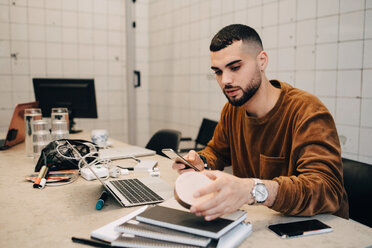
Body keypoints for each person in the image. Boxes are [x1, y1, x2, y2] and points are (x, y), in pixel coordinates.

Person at [172, 24, 349, 221]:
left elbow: (326, 189)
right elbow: (217, 152)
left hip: (318, 229)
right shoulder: (232, 110)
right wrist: (201, 161)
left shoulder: (307, 110)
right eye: (218, 72)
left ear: (262, 61)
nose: (225, 81)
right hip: (263, 222)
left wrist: (253, 189)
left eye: (235, 67)